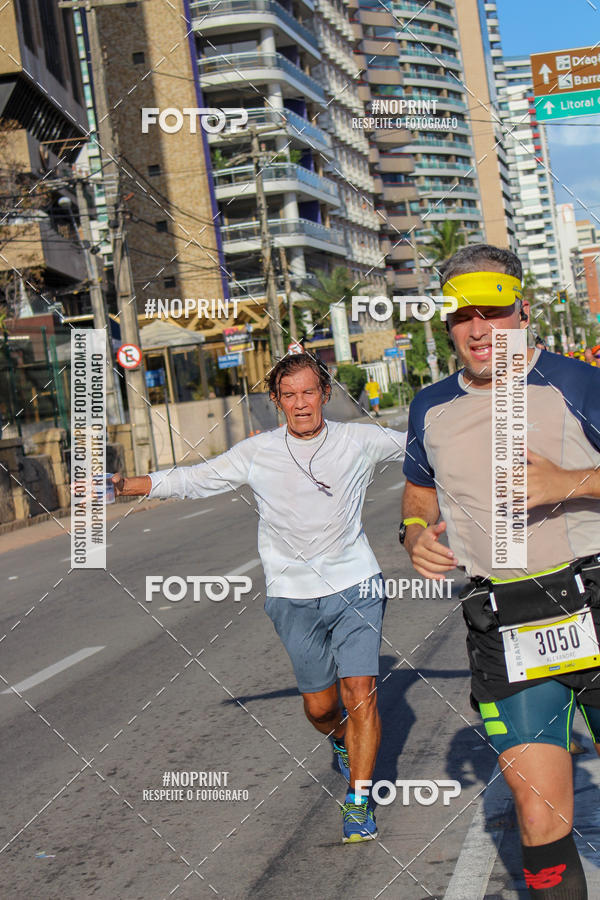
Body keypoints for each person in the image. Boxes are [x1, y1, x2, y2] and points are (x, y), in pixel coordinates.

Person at [112, 353, 406, 843]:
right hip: (291, 595)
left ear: (325, 394)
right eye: (288, 396)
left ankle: (359, 801)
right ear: (275, 402)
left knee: (361, 694)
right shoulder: (258, 452)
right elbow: (195, 479)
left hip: (356, 583)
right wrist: (128, 485)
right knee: (319, 708)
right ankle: (339, 738)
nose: (300, 404)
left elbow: (423, 446)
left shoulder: (359, 440)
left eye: (309, 392)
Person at [399, 243, 600, 899]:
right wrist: (412, 530)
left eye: (493, 311)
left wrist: (569, 482)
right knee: (539, 811)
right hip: (507, 620)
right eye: (462, 316)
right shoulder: (429, 406)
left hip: (593, 594)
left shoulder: (576, 383)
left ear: (524, 309)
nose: (478, 330)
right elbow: (418, 487)